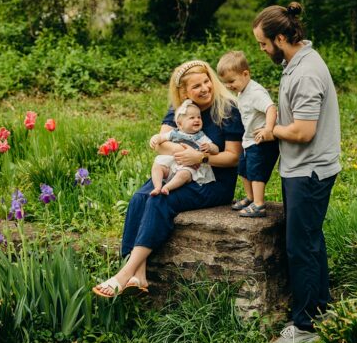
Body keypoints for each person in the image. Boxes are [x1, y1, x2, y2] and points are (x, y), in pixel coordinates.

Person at [93, 60, 244, 298]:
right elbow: (160, 146)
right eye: (197, 86)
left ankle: (124, 274)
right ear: (184, 92)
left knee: (160, 199)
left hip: (213, 181)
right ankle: (139, 275)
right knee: (140, 197)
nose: (205, 88)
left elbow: (234, 158)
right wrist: (183, 153)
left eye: (207, 81)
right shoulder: (180, 109)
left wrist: (200, 157)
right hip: (179, 172)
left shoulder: (227, 110)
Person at [251, 1, 341, 343]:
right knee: (310, 240)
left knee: (300, 247)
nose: (262, 50)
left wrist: (272, 131)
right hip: (303, 167)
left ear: (281, 38)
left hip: (309, 170)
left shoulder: (305, 73)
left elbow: (303, 131)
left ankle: (305, 326)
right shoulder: (297, 61)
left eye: (263, 43)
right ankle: (321, 310)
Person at [217, 50, 280, 218]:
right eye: (225, 83)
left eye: (231, 81)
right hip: (249, 140)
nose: (229, 85)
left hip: (261, 141)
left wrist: (268, 129)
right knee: (244, 169)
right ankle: (251, 197)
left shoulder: (256, 92)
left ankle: (259, 204)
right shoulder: (242, 90)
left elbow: (271, 108)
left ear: (245, 74)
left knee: (256, 171)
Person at [148, 100, 220, 196]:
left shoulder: (201, 136)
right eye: (192, 118)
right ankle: (157, 186)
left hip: (190, 166)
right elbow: (162, 137)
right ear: (180, 124)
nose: (197, 120)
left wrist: (210, 147)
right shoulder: (174, 133)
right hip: (172, 163)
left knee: (184, 174)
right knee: (157, 166)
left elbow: (216, 150)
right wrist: (155, 138)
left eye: (199, 117)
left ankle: (168, 187)